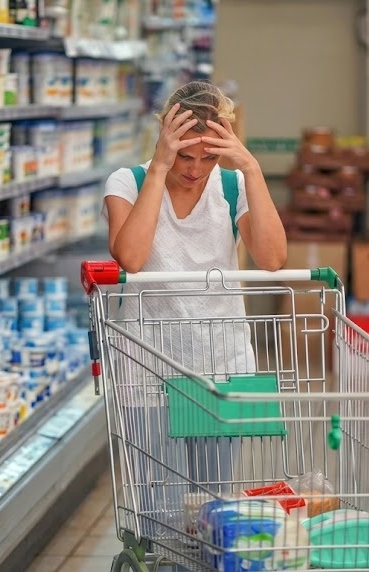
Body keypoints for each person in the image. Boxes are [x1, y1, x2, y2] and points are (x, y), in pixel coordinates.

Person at [102, 81, 287, 543]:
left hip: (219, 365)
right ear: (165, 139)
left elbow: (271, 258)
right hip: (147, 368)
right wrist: (160, 168)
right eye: (186, 156)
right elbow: (131, 257)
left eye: (208, 158)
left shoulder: (231, 185)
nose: (196, 170)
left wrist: (251, 168)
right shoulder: (129, 182)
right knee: (159, 509)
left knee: (210, 507)